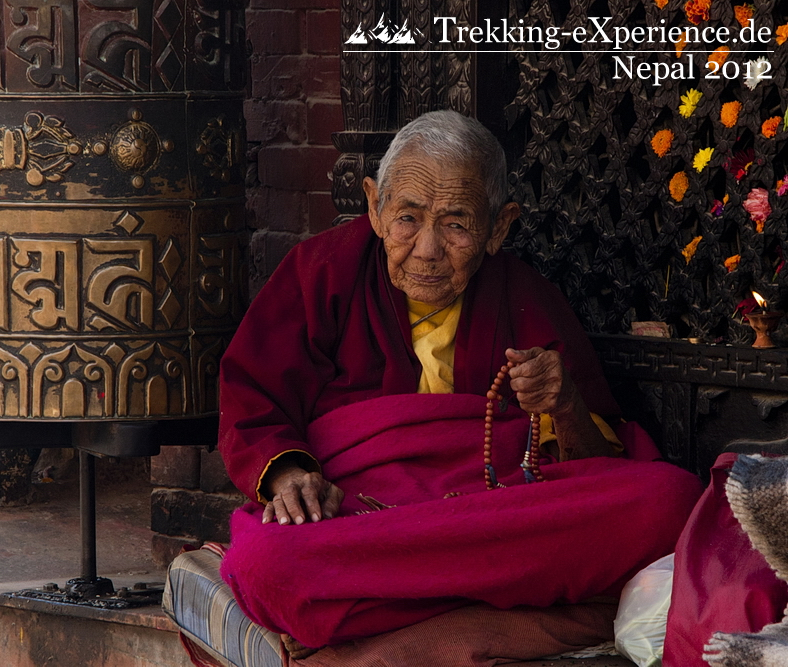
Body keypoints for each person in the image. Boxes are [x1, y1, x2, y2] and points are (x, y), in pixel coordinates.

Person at [213, 110, 702, 659]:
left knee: (673, 501)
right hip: (361, 515)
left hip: (495, 511)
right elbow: (251, 396)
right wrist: (289, 474)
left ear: (499, 227)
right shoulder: (323, 271)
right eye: (408, 219)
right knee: (266, 567)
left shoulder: (525, 297)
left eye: (456, 224)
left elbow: (596, 465)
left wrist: (564, 404)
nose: (426, 249)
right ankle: (491, 609)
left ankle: (387, 620)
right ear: (374, 207)